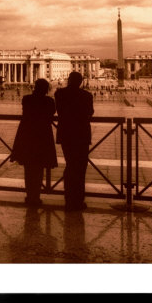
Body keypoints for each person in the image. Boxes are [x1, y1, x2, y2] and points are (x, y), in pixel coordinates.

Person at [10, 79, 57, 206]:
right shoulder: (49, 101)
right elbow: (52, 113)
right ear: (46, 89)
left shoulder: (26, 99)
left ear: (34, 87)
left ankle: (29, 196)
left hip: (27, 135)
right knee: (39, 168)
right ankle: (36, 196)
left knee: (28, 168)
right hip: (42, 136)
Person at [55, 72, 94, 211]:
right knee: (80, 167)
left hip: (66, 133)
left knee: (70, 165)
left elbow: (59, 110)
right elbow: (90, 112)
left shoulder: (59, 94)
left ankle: (69, 199)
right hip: (82, 134)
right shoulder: (87, 96)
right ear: (81, 82)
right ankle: (78, 200)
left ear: (68, 80)